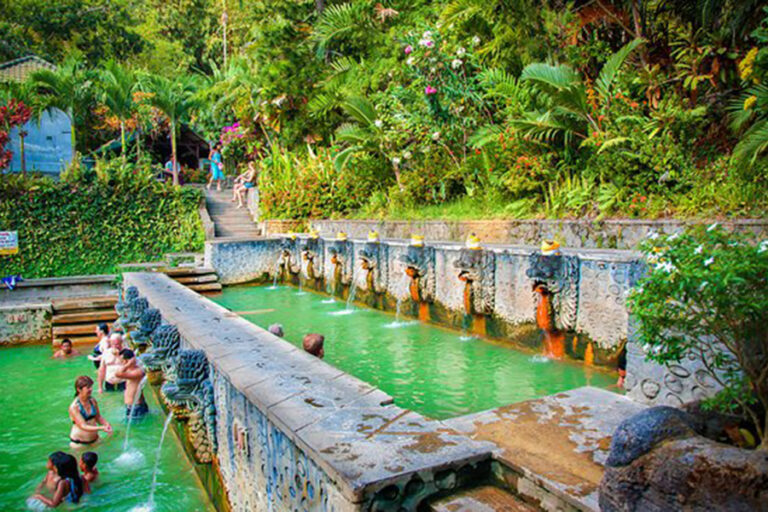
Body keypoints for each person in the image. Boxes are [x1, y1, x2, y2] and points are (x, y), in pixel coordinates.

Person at [69, 376, 112, 447]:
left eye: (91, 386)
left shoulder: (92, 401)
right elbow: (83, 426)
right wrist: (101, 428)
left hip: (96, 441)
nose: (91, 389)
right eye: (88, 387)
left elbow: (98, 417)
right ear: (79, 389)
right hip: (80, 444)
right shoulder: (74, 407)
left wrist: (106, 424)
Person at [115, 348, 149, 419]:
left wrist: (128, 364)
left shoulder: (138, 372)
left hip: (136, 406)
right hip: (132, 405)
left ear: (128, 361)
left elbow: (118, 374)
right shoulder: (129, 370)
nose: (121, 363)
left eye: (122, 361)